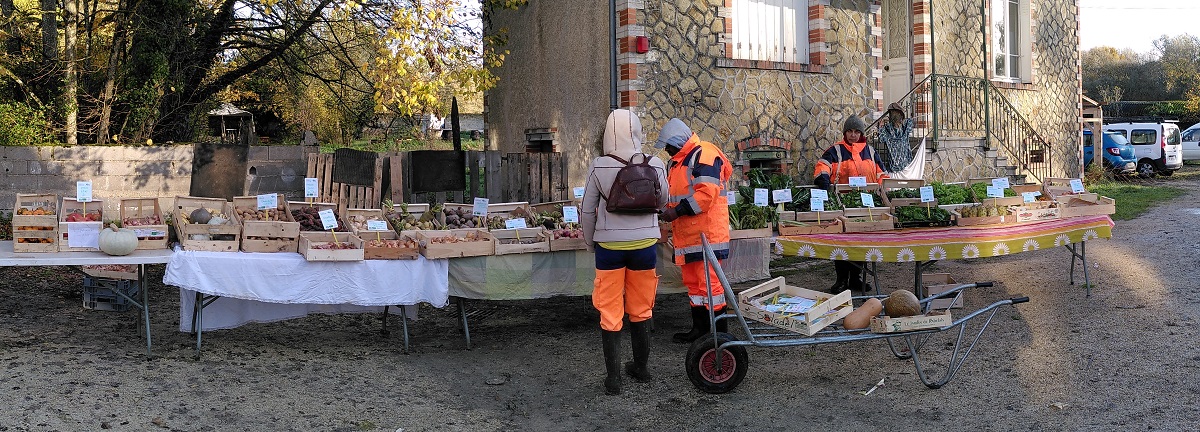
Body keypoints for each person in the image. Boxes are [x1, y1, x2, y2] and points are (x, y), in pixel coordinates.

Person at [581, 109, 669, 396]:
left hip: (609, 249)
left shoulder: (599, 165)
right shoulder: (655, 164)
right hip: (645, 246)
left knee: (609, 310)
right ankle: (641, 369)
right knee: (642, 308)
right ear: (637, 131)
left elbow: (587, 210)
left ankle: (613, 379)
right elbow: (663, 200)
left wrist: (590, 242)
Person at [654, 118, 733, 344]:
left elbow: (706, 196)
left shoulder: (704, 154)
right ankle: (700, 330)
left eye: (668, 146)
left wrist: (675, 212)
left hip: (707, 236)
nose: (667, 151)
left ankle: (719, 336)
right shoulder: (678, 162)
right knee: (696, 286)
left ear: (678, 142)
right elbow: (677, 195)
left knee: (711, 287)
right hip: (689, 236)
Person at [814, 114, 889, 293]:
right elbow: (822, 166)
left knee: (861, 242)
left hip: (866, 204)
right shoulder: (835, 151)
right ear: (845, 133)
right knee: (842, 242)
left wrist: (883, 189)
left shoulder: (870, 151)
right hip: (842, 204)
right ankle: (841, 280)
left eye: (857, 131)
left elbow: (882, 173)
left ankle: (856, 278)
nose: (853, 135)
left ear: (861, 133)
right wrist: (824, 179)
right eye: (850, 131)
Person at [878, 102, 916, 172]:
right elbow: (882, 138)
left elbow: (911, 123)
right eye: (892, 113)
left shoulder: (905, 127)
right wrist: (880, 126)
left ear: (900, 114)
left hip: (905, 161)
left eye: (895, 112)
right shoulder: (888, 129)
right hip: (893, 163)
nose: (893, 114)